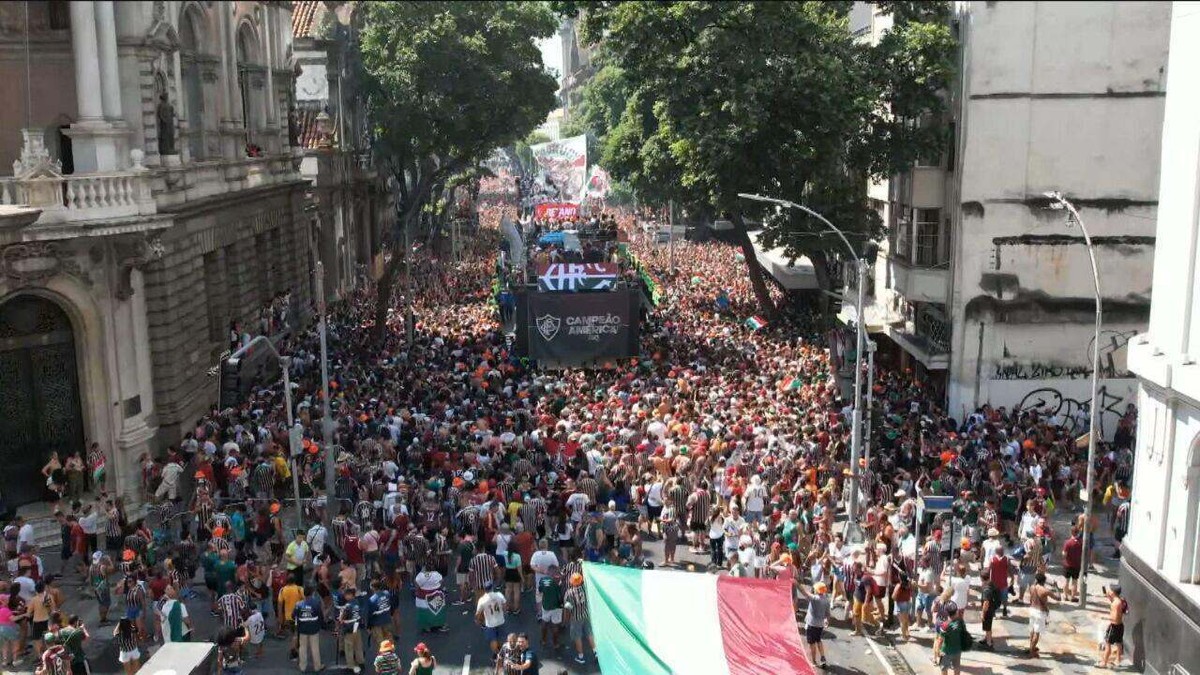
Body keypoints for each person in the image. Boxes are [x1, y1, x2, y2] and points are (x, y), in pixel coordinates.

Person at [563, 573, 592, 665]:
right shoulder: (585, 588)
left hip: (576, 618)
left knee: (577, 636)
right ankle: (595, 652)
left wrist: (565, 620)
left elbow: (567, 608)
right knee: (589, 633)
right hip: (586, 614)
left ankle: (581, 656)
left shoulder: (569, 593)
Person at [800, 581, 831, 669]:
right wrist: (827, 621)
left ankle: (813, 661)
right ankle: (822, 657)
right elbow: (828, 614)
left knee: (811, 644)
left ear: (817, 590)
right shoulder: (826, 600)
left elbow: (804, 592)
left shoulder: (814, 599)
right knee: (818, 640)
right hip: (820, 625)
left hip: (811, 625)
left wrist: (797, 583)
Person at [294, 587, 325, 673]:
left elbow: (294, 616)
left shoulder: (298, 604)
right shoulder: (316, 603)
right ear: (311, 593)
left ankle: (302, 666)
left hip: (302, 629)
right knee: (315, 648)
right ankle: (317, 666)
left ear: (304, 594)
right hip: (314, 629)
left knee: (302, 648)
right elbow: (321, 617)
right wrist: (320, 625)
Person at [1028, 572, 1058, 658]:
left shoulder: (1032, 587)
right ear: (1044, 581)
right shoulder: (1045, 591)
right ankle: (1031, 651)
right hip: (1040, 612)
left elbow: (1031, 599)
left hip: (1032, 610)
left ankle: (1031, 647)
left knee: (1032, 630)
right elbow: (1058, 598)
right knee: (1037, 633)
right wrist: (1056, 587)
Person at [933, 601, 966, 675]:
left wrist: (938, 651)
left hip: (946, 651)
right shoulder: (960, 622)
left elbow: (940, 640)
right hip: (957, 650)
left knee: (944, 668)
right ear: (956, 611)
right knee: (957, 667)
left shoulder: (945, 625)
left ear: (947, 613)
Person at [338, 586, 365, 674]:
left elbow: (341, 619)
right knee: (358, 646)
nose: (345, 597)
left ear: (350, 595)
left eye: (346, 595)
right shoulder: (357, 602)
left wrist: (340, 618)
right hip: (357, 626)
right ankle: (361, 662)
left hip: (349, 628)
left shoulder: (347, 606)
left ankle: (350, 666)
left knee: (349, 647)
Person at [413, 565, 446, 633]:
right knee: (437, 611)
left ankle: (427, 627)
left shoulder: (420, 575)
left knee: (425, 611)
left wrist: (417, 590)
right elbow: (442, 581)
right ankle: (438, 624)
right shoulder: (436, 574)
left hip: (423, 597)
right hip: (436, 595)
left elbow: (416, 583)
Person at [1101, 585, 1128, 668]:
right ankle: (1118, 660)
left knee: (1108, 644)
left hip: (1114, 626)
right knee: (1119, 643)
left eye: (1110, 590)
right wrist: (1107, 595)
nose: (1109, 591)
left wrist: (1106, 618)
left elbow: (1115, 618)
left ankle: (1104, 662)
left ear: (1113, 592)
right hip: (1120, 626)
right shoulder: (1119, 600)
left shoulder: (1115, 604)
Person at [476, 581, 507, 655]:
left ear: (485, 589)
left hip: (490, 623)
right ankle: (502, 653)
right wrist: (503, 612)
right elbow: (505, 605)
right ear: (492, 587)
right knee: (500, 637)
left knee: (493, 639)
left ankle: (496, 654)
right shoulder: (499, 595)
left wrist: (478, 620)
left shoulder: (482, 600)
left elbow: (478, 613)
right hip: (500, 620)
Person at [538, 565, 564, 650]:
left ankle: (543, 640)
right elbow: (562, 591)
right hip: (557, 606)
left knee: (544, 622)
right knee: (555, 625)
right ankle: (555, 644)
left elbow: (540, 590)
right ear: (554, 572)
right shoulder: (558, 581)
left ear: (548, 571)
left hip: (546, 605)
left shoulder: (542, 580)